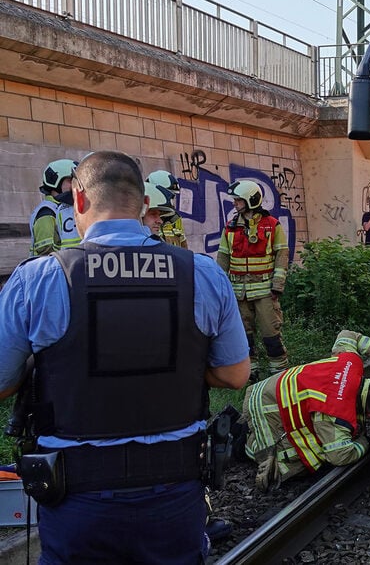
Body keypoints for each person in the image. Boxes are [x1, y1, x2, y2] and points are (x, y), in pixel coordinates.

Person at [0, 150, 250, 564]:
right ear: (145, 205)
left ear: (78, 200)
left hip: (76, 497)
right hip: (175, 493)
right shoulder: (202, 273)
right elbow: (235, 374)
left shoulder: (37, 280)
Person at [242, 330, 370, 490]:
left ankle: (245, 431)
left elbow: (347, 335)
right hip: (264, 407)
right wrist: (364, 441)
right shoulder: (336, 414)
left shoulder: (351, 364)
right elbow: (340, 456)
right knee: (287, 466)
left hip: (269, 388)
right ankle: (244, 444)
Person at [217, 179, 290, 377]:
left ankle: (279, 375)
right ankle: (251, 374)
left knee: (271, 334)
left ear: (250, 200)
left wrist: (277, 285)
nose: (235, 203)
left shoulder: (272, 226)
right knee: (244, 337)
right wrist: (220, 288)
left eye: (238, 200)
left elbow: (282, 255)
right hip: (238, 292)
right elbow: (222, 259)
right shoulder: (230, 228)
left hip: (265, 291)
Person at [28, 158, 77, 256]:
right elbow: (46, 249)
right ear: (55, 181)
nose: (74, 185)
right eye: (70, 181)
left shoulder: (65, 207)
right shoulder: (46, 212)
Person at [146, 169, 189, 249]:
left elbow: (184, 246)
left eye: (173, 196)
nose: (171, 200)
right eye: (168, 195)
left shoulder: (176, 219)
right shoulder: (143, 220)